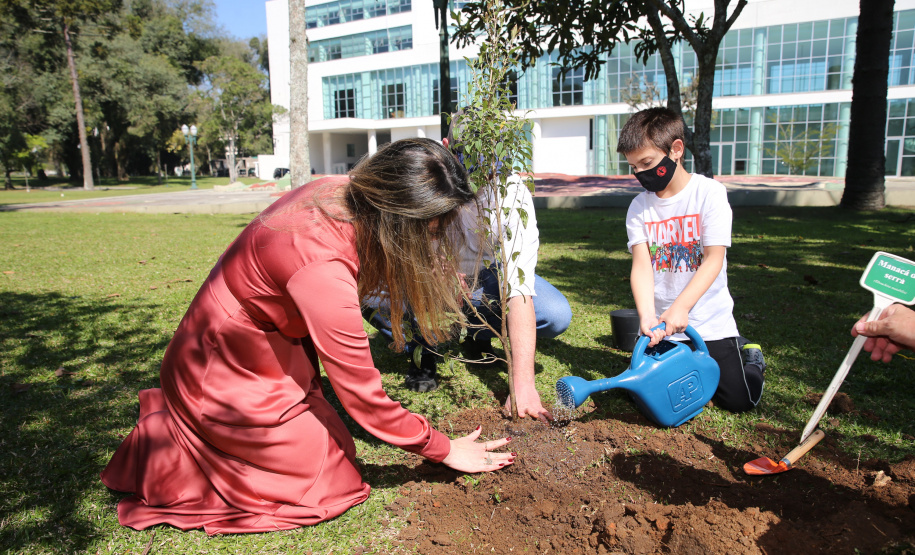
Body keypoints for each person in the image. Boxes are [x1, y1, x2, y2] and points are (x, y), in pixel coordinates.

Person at [100, 138, 515, 535]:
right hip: (222, 366)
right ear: (395, 217)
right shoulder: (321, 267)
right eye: (429, 232)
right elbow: (362, 395)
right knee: (331, 481)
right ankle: (180, 452)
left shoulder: (346, 191)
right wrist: (443, 448)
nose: (434, 243)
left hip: (268, 347)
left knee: (337, 449)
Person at [364, 117, 572, 422]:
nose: (478, 169)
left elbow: (519, 288)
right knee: (364, 293)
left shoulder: (510, 195)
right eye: (467, 155)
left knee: (554, 313)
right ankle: (421, 349)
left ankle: (478, 337)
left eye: (489, 159)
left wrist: (523, 384)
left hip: (484, 280)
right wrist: (429, 275)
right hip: (424, 278)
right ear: (448, 147)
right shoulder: (427, 179)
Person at [619, 107, 765, 413]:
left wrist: (681, 309)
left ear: (676, 150)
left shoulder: (709, 194)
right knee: (642, 400)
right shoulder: (638, 207)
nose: (639, 174)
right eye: (632, 167)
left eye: (646, 163)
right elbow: (642, 266)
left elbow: (713, 260)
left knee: (739, 401)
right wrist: (647, 317)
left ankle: (749, 355)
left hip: (710, 325)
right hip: (661, 329)